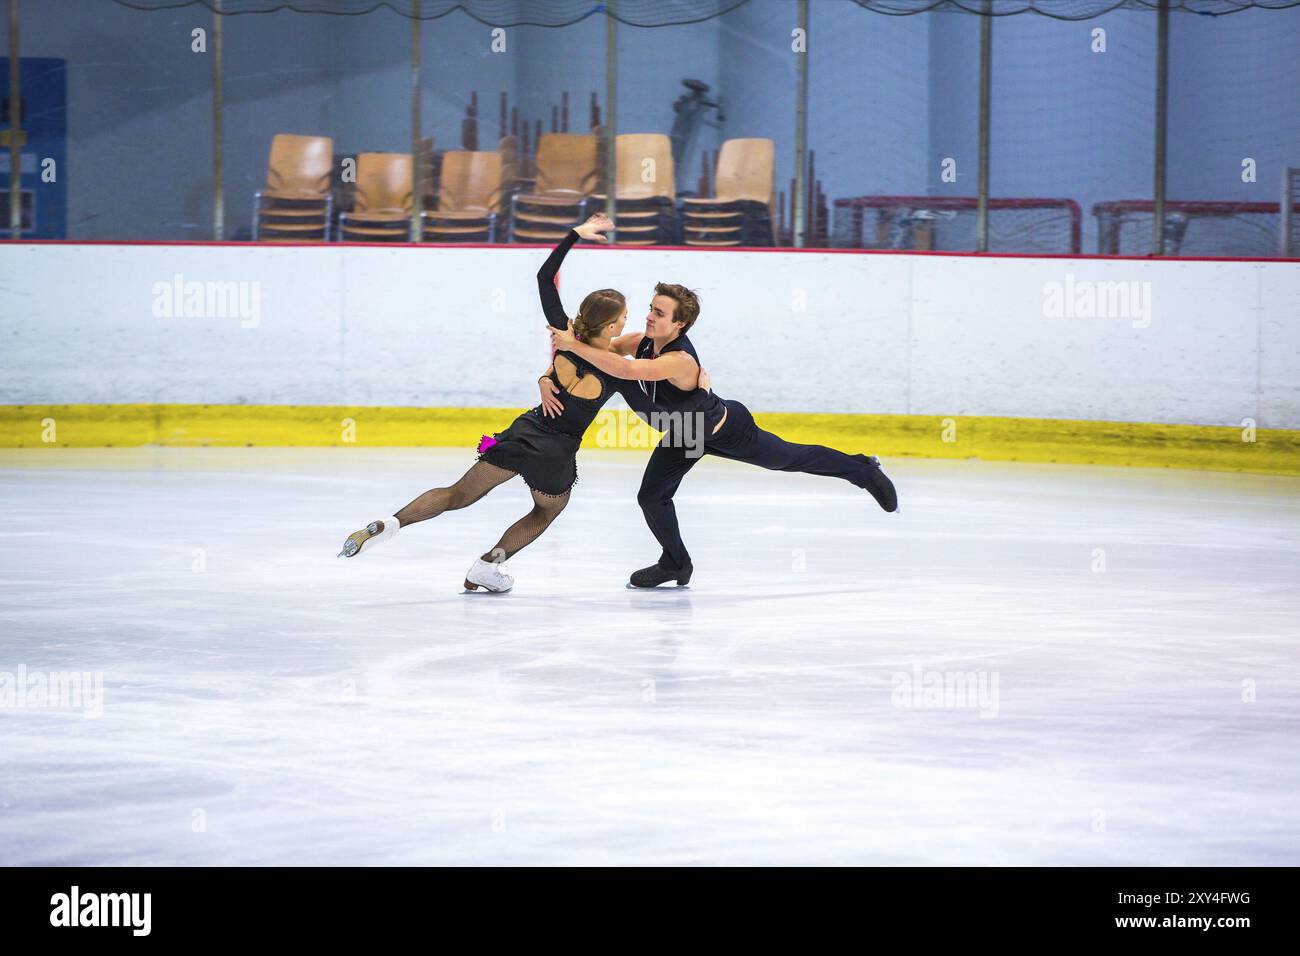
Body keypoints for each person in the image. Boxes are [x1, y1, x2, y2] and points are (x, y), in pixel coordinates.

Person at [338, 214, 637, 593]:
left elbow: (545, 278)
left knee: (456, 494)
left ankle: (391, 523)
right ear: (611, 327)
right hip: (555, 453)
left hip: (521, 432)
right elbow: (647, 393)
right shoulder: (615, 370)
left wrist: (574, 234)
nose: (626, 322)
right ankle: (486, 565)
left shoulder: (563, 336)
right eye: (624, 318)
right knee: (545, 511)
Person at [546, 283, 898, 588]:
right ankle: (675, 563)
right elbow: (601, 351)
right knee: (651, 497)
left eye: (660, 313)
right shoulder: (641, 341)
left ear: (679, 324)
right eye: (651, 308)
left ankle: (863, 469)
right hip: (684, 437)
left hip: (726, 429)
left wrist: (573, 346)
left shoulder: (680, 358)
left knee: (789, 459)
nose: (650, 316)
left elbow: (623, 369)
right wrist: (549, 374)